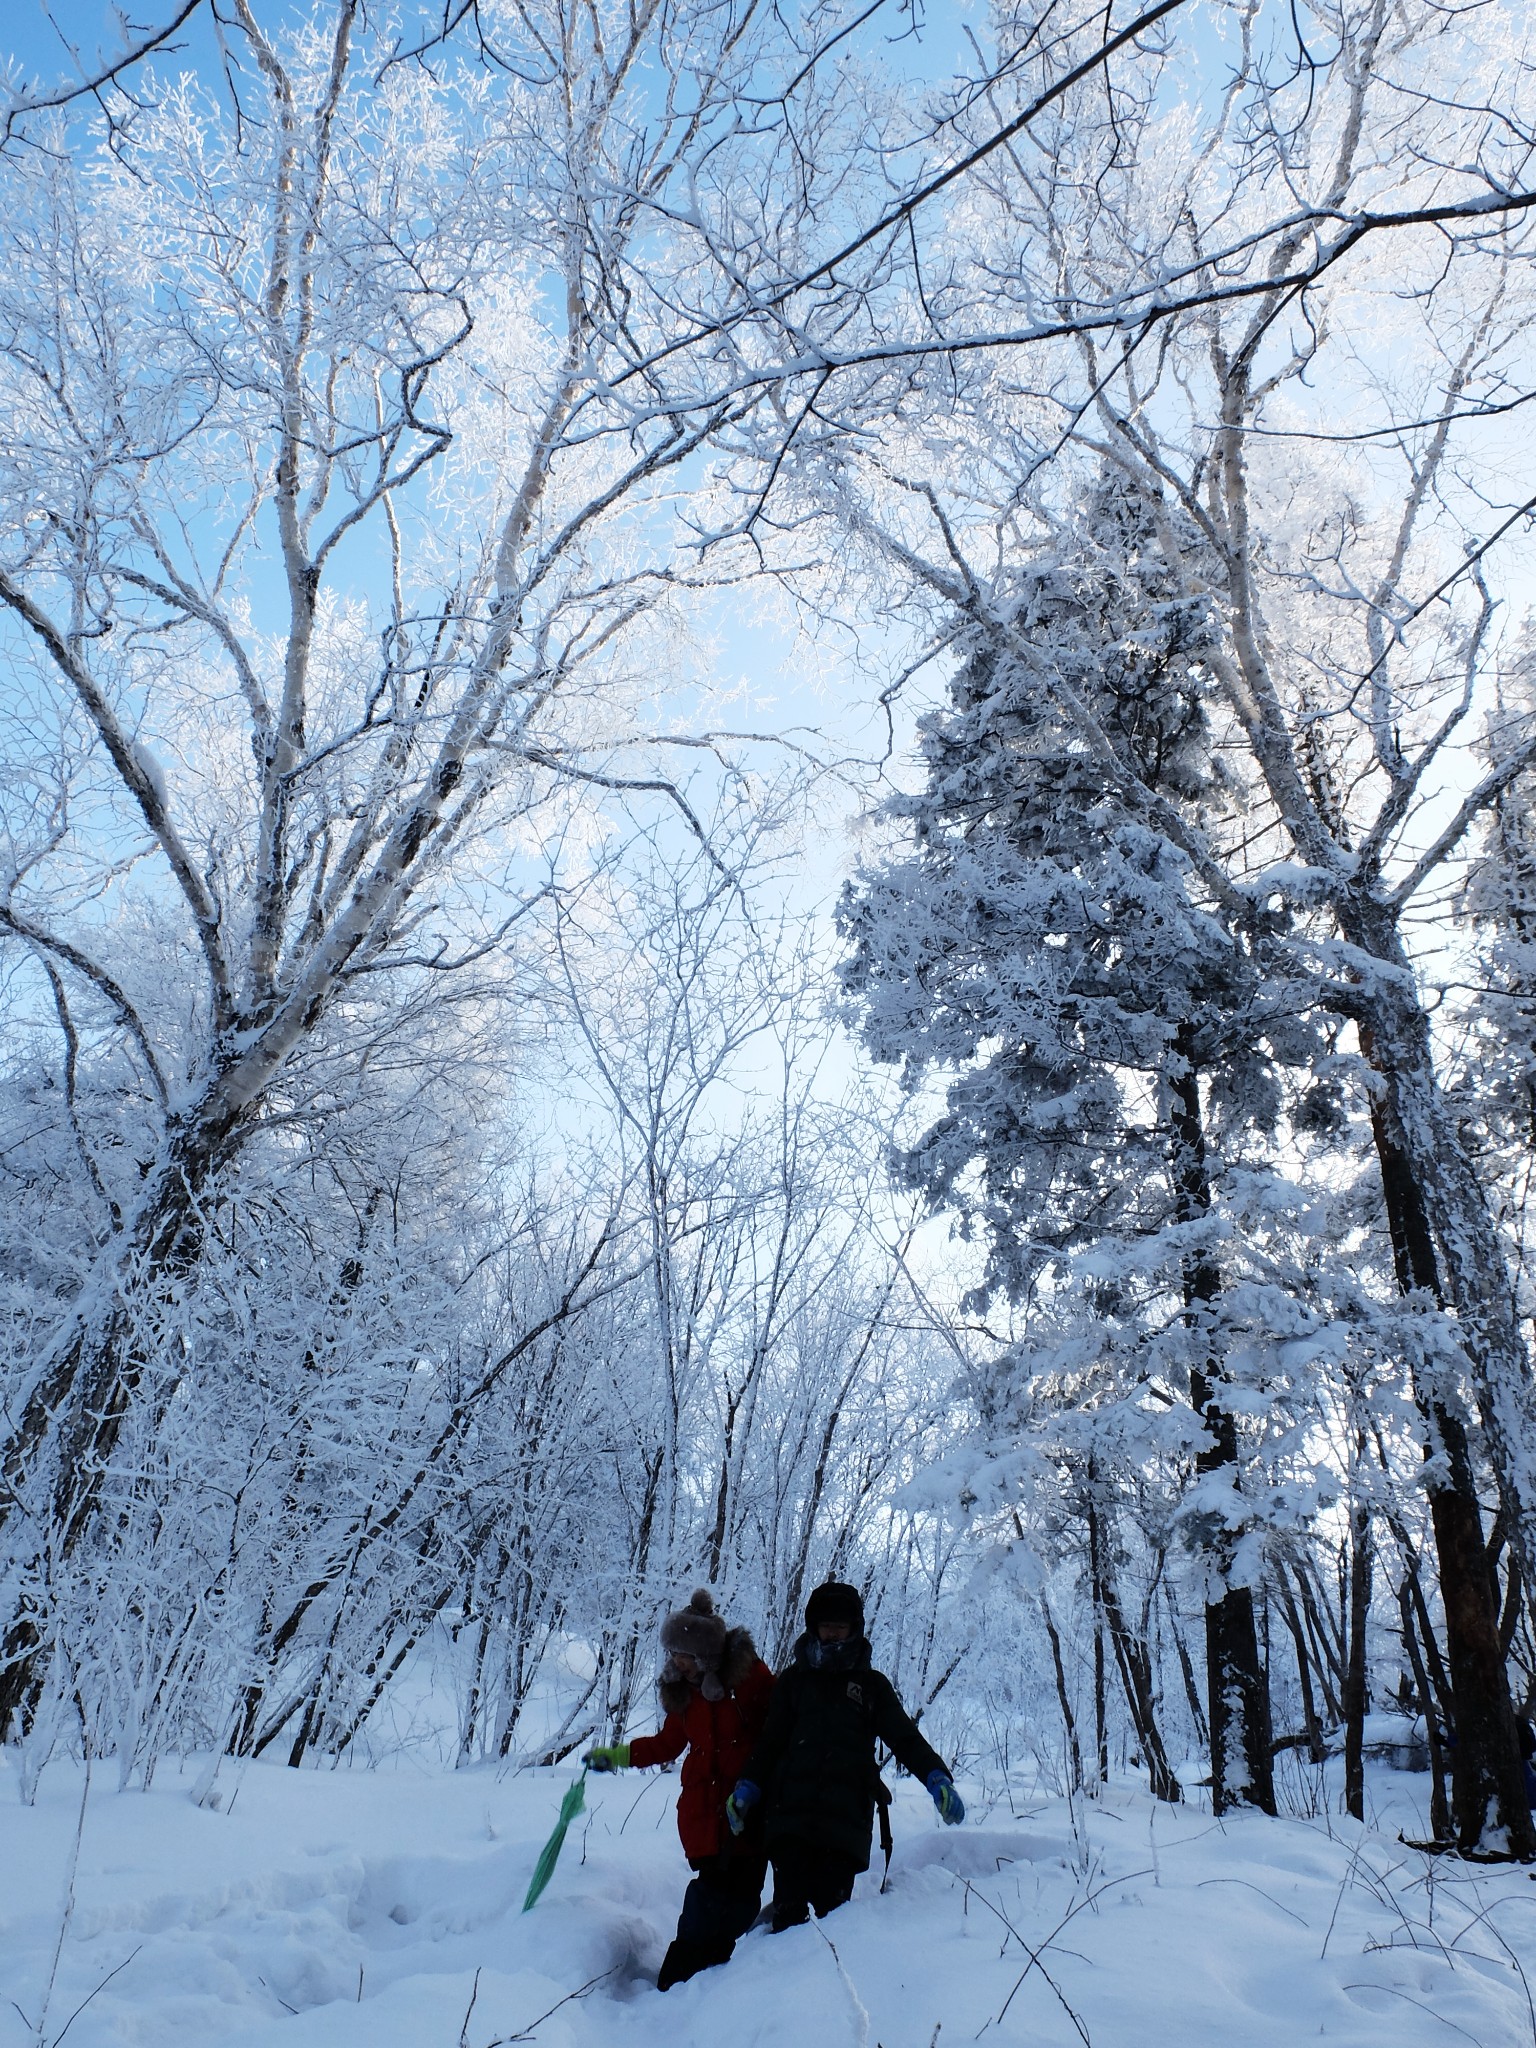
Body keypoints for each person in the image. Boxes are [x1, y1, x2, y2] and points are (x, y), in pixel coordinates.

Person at [726, 1579, 963, 1930]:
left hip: (845, 1824)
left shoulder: (871, 1686)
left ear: (854, 1629)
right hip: (789, 1817)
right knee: (789, 1917)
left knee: (830, 1922)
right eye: (826, 1627)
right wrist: (748, 1785)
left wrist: (936, 1778)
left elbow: (905, 1739)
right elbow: (770, 1742)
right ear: (814, 1628)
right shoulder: (793, 1683)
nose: (833, 1635)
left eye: (840, 1627)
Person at [585, 1589, 774, 1990]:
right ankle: (680, 1985)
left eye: (682, 1655)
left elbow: (781, 1729)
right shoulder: (686, 1694)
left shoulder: (751, 1680)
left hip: (748, 1815)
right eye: (672, 1654)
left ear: (705, 1654)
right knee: (707, 1901)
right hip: (703, 1819)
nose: (674, 1662)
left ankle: (714, 1984)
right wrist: (617, 1756)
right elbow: (667, 1744)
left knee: (737, 1902)